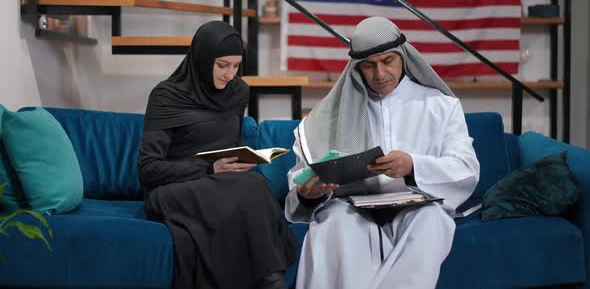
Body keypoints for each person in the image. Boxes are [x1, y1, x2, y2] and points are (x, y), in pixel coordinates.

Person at [285, 17, 480, 289]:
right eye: (369, 65)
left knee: (432, 221)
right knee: (336, 224)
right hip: (350, 208)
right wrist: (307, 194)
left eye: (387, 61)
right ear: (357, 67)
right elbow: (301, 181)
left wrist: (412, 165)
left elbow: (466, 168)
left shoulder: (440, 106)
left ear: (403, 56)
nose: (379, 74)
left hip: (418, 205)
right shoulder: (329, 116)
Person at [138, 20, 297, 289]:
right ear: (202, 58)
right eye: (222, 65)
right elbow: (147, 169)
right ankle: (272, 281)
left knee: (254, 183)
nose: (229, 74)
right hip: (174, 189)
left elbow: (228, 143)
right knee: (252, 188)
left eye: (236, 66)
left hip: (220, 186)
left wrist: (240, 160)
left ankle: (271, 280)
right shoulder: (166, 96)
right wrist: (210, 169)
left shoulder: (238, 91)